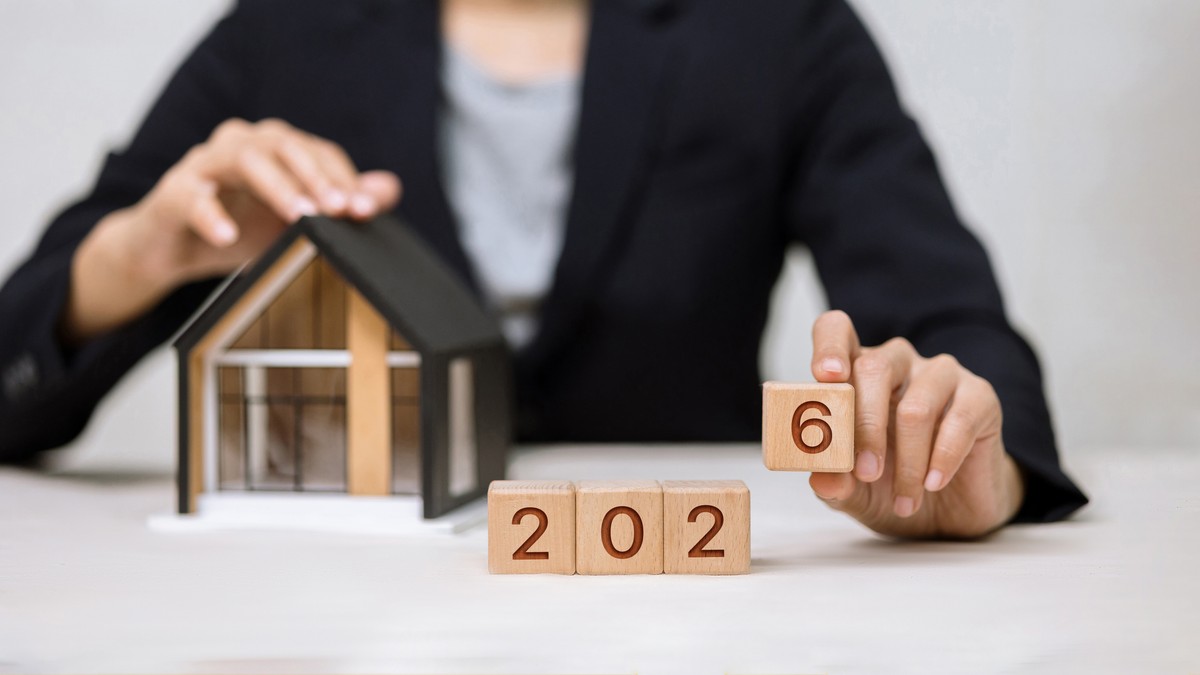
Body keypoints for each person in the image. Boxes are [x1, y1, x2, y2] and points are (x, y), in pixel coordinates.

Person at [0, 0, 1087, 538]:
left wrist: (968, 464)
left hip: (698, 625)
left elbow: (963, 333)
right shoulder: (284, 32)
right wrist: (141, 253)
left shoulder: (778, 28)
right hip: (350, 625)